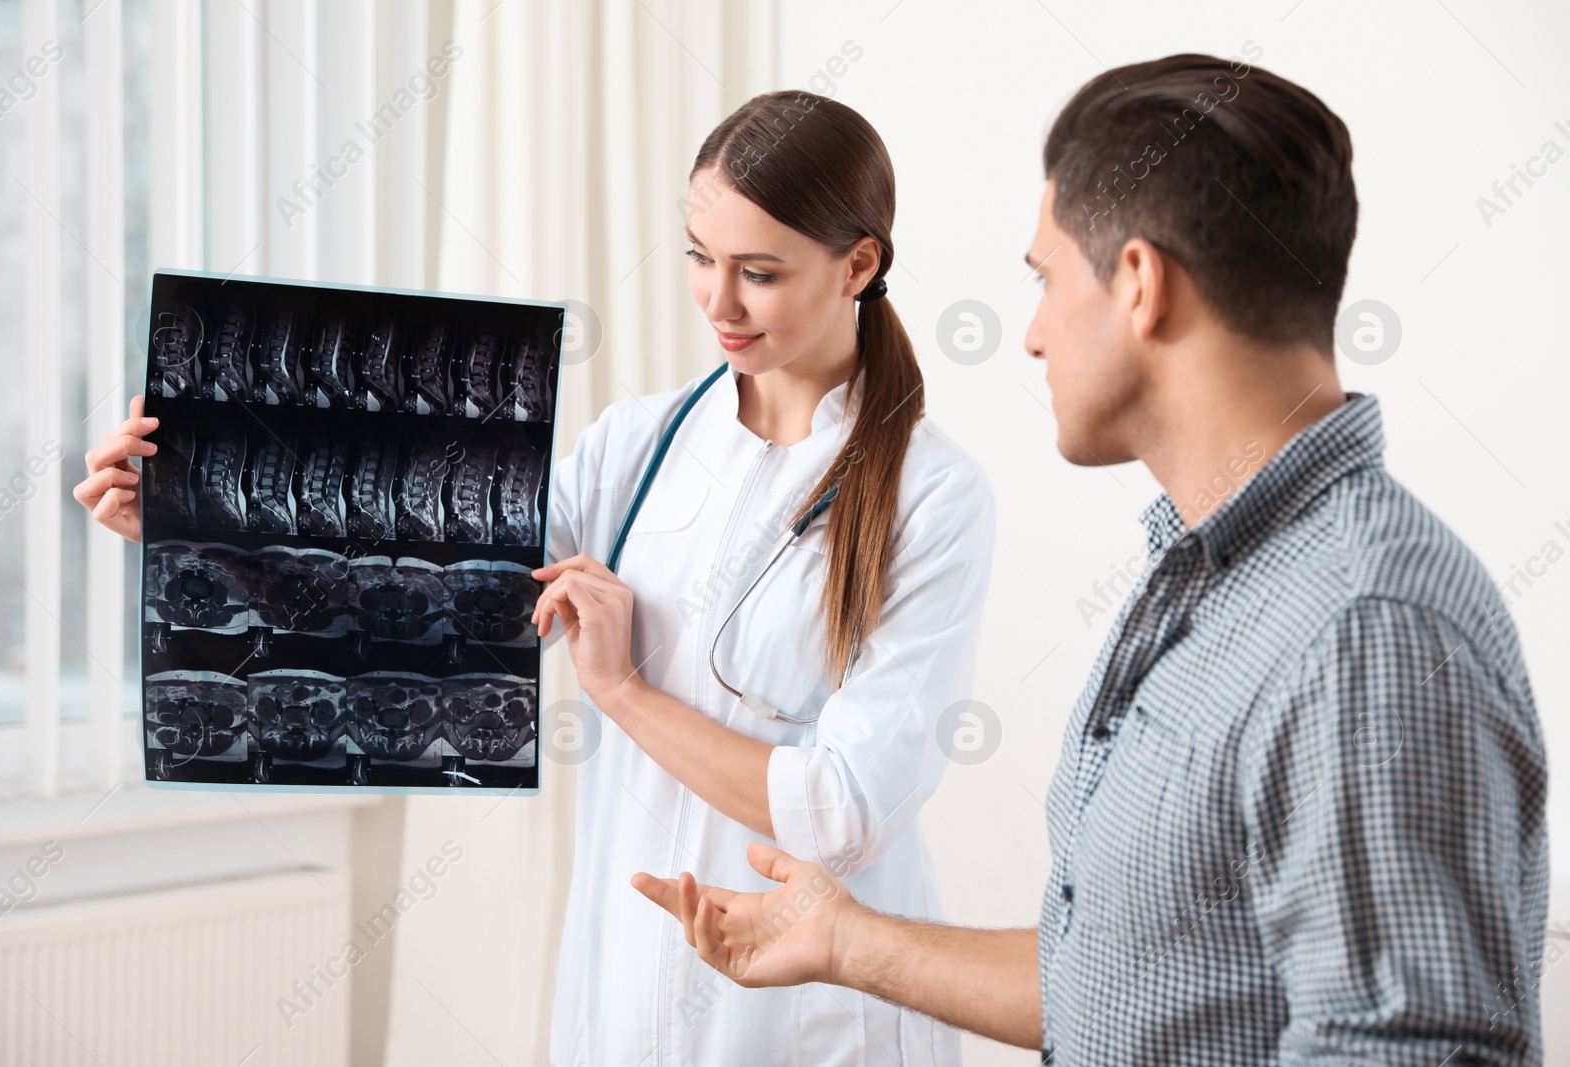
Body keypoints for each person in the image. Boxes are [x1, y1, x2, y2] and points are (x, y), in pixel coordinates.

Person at [636, 54, 1549, 1065]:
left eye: (1044, 278)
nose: (1028, 334)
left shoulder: (1360, 631)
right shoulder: (1206, 582)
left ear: (1138, 284)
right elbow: (1140, 976)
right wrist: (848, 938)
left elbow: (1408, 1051)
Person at [75, 90, 997, 1065]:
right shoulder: (638, 446)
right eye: (697, 255)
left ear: (859, 262)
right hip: (629, 979)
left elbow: (843, 810)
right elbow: (428, 598)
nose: (717, 303)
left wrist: (620, 690)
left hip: (814, 1018)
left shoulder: (933, 497)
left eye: (758, 272)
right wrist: (190, 524)